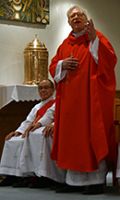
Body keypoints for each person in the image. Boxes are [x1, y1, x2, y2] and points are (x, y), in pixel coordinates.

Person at [49, 5, 117, 194]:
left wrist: (94, 39)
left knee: (90, 136)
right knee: (71, 140)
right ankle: (73, 182)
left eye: (79, 14)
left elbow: (109, 61)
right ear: (68, 21)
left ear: (86, 18)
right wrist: (62, 64)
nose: (76, 17)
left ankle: (95, 182)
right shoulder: (65, 44)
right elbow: (53, 66)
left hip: (90, 100)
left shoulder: (97, 37)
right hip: (70, 102)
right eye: (72, 16)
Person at [0, 79, 56, 186]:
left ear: (53, 90)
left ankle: (36, 176)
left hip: (45, 132)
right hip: (32, 131)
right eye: (40, 88)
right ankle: (11, 175)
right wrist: (17, 131)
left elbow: (53, 118)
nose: (43, 90)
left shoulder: (56, 103)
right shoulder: (37, 106)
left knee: (33, 137)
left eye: (46, 88)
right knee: (11, 140)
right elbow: (28, 121)